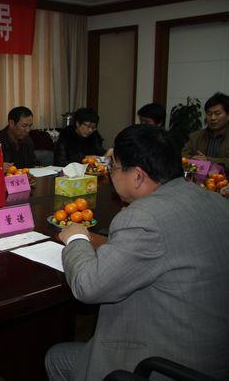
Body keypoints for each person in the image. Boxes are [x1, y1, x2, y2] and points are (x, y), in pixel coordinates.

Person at [46, 125, 229, 381]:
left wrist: (76, 237)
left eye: (114, 167)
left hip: (163, 365)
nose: (111, 174)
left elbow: (87, 286)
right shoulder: (216, 201)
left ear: (138, 176)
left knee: (56, 357)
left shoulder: (144, 218)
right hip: (214, 356)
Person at [0, 106, 39, 171]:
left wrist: (38, 167)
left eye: (30, 126)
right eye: (24, 126)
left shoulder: (27, 140)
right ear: (11, 123)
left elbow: (33, 163)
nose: (28, 130)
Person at [182, 92, 229, 169]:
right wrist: (196, 162)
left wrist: (208, 161)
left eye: (217, 113)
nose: (213, 118)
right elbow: (183, 159)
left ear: (228, 116)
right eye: (209, 114)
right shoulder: (195, 137)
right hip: (198, 176)